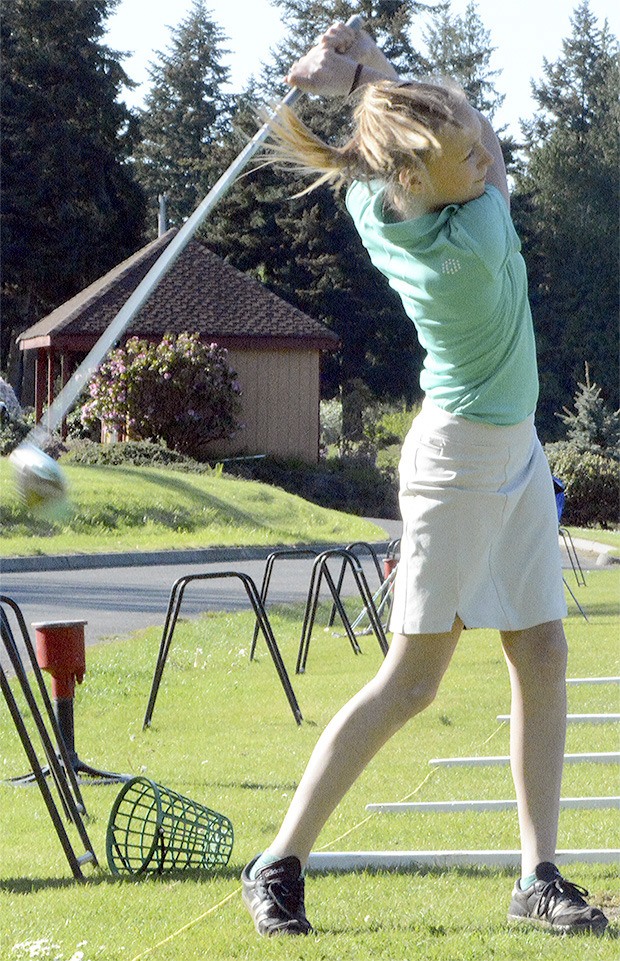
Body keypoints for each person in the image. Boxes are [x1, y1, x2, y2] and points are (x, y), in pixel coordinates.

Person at [241, 22, 609, 938]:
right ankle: (278, 859)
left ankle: (538, 877)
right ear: (418, 179)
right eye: (463, 157)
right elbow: (469, 132)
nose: (483, 157)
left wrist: (354, 76)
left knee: (542, 650)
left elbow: (429, 134)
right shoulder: (475, 237)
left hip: (512, 450)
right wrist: (365, 71)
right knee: (413, 681)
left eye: (475, 155)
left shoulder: (381, 209)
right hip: (455, 467)